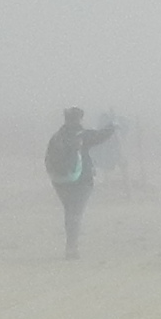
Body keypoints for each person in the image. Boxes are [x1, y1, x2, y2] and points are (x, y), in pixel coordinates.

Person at [44, 107, 116, 256]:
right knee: (75, 213)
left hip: (60, 181)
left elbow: (48, 158)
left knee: (69, 211)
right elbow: (101, 136)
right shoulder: (83, 135)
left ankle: (71, 245)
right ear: (80, 118)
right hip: (82, 181)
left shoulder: (56, 137)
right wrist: (113, 125)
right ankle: (71, 247)